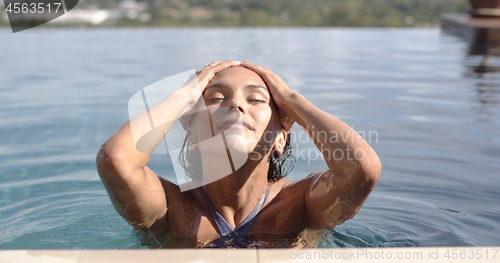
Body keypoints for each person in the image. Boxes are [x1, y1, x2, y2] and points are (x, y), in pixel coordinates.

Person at [96, 60, 382, 248]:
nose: (235, 105)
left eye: (256, 99)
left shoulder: (301, 206)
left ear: (280, 138)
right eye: (216, 99)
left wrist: (292, 100)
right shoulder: (171, 211)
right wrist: (183, 96)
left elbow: (361, 169)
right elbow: (116, 159)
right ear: (192, 132)